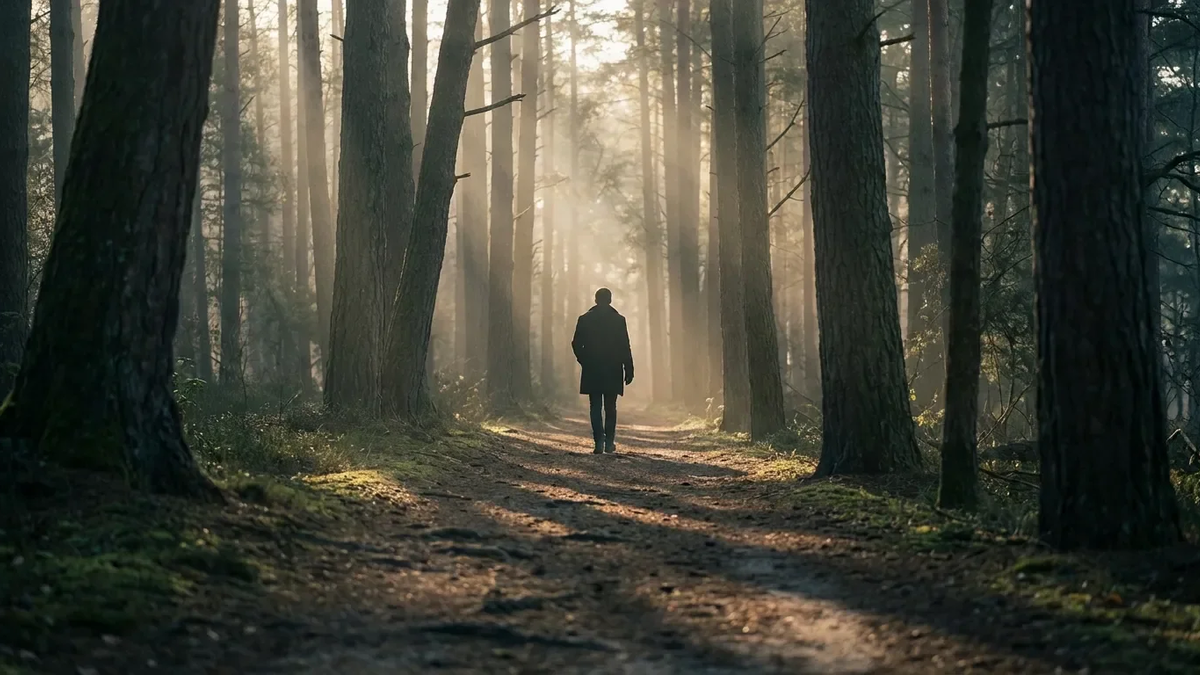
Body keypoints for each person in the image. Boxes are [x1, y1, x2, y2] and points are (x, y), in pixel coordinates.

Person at [572, 288, 634, 454]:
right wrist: (629, 368)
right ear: (610, 300)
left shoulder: (584, 319)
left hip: (592, 368)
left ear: (595, 300)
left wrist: (584, 360)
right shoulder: (619, 320)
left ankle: (598, 441)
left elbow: (576, 343)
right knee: (610, 406)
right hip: (613, 368)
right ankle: (609, 442)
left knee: (595, 405)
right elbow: (624, 346)